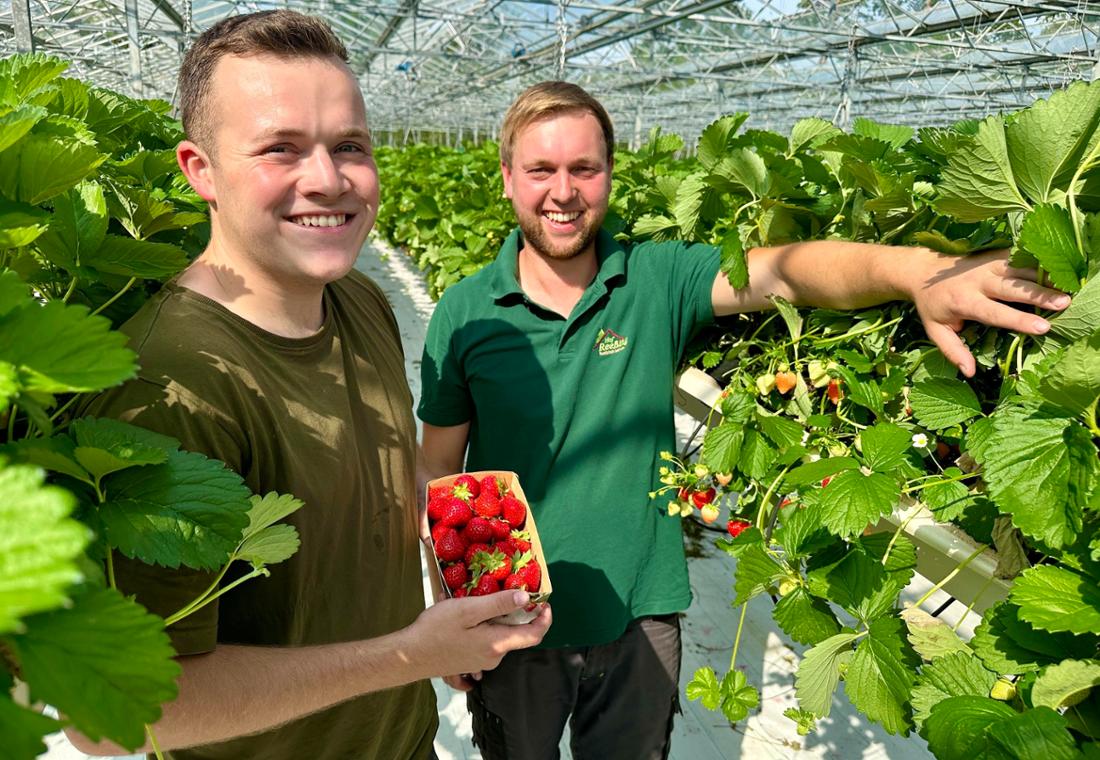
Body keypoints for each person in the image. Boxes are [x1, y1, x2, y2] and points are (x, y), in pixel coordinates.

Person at [416, 81, 1070, 760]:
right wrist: (447, 603)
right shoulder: (467, 313)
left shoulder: (654, 278)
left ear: (610, 173)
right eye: (540, 170)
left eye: (584, 168)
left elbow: (785, 273)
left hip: (641, 611)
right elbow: (438, 470)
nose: (564, 191)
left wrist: (920, 272)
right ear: (507, 178)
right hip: (510, 613)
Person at [67, 11, 550, 760]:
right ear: (199, 170)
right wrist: (407, 655)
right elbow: (116, 717)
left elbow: (384, 499)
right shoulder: (169, 390)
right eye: (279, 149)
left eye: (349, 145)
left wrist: (453, 593)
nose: (327, 178)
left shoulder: (360, 302)